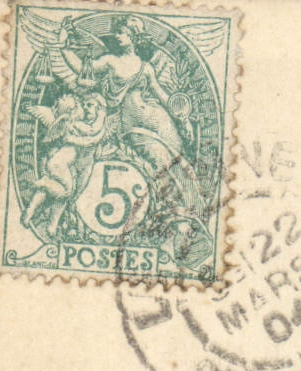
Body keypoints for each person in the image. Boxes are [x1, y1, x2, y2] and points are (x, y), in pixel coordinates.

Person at [63, 16, 203, 218]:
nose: (117, 36)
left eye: (122, 33)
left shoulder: (146, 67)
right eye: (118, 32)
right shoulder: (110, 61)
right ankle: (171, 207)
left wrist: (183, 118)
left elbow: (163, 97)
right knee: (159, 158)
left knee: (177, 157)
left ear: (133, 37)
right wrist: (64, 48)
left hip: (158, 120)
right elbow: (84, 69)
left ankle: (191, 209)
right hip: (132, 124)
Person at [22, 93, 107, 237]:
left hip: (76, 166)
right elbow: (89, 139)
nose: (86, 108)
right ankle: (41, 188)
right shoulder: (76, 124)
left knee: (65, 196)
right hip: (60, 165)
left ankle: (51, 227)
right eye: (84, 104)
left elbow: (95, 142)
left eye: (90, 105)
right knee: (65, 191)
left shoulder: (93, 126)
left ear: (99, 109)